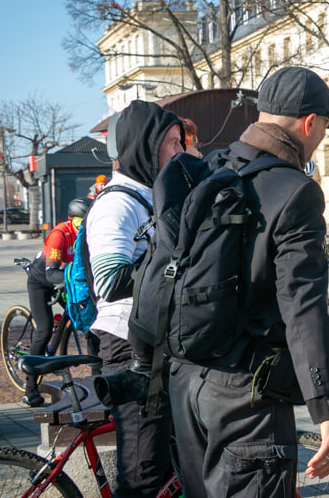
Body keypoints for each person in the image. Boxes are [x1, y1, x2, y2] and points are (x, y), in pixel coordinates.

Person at [168, 66, 329, 497]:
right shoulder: (295, 191)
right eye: (324, 125)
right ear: (309, 123)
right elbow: (302, 306)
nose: (321, 135)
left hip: (187, 382)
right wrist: (328, 410)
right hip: (247, 396)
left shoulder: (211, 169)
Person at [86, 100, 185, 497]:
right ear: (146, 146)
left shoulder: (150, 195)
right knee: (141, 477)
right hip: (129, 346)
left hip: (155, 341)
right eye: (173, 143)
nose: (179, 151)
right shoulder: (117, 204)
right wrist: (174, 266)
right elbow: (109, 281)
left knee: (168, 468)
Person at [22, 197, 92, 407]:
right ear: (72, 220)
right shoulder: (59, 234)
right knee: (44, 330)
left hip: (66, 282)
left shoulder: (88, 234)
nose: (84, 226)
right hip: (42, 281)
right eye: (81, 222)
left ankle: (99, 379)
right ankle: (30, 388)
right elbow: (51, 272)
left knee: (90, 322)